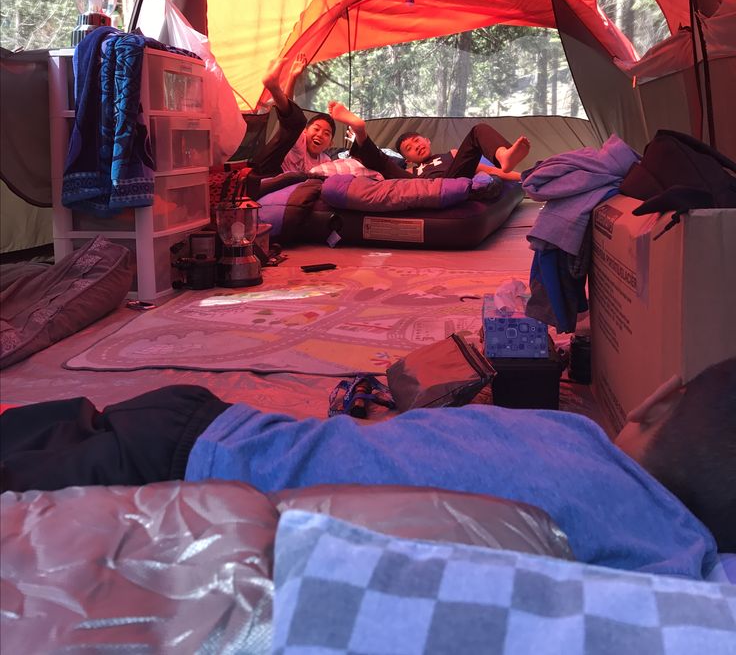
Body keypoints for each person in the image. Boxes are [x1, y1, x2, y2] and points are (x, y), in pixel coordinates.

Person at [2, 359, 734, 579]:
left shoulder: (571, 427)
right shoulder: (672, 556)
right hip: (185, 478)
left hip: (206, 429)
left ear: (660, 394)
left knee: (37, 434)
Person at [327, 101, 530, 181]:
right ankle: (360, 131)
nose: (416, 146)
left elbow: (490, 172)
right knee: (383, 163)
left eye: (417, 141)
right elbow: (382, 173)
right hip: (421, 185)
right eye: (409, 148)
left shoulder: (451, 155)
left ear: (427, 141)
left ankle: (503, 155)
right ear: (406, 158)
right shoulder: (410, 171)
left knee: (478, 130)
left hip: (451, 180)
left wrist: (525, 177)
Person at [248, 55, 336, 177]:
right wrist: (292, 77)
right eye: (316, 129)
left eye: (326, 133)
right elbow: (290, 118)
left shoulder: (325, 161)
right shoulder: (300, 141)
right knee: (296, 124)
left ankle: (274, 87)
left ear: (331, 144)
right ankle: (274, 87)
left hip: (290, 188)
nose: (320, 135)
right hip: (267, 172)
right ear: (305, 132)